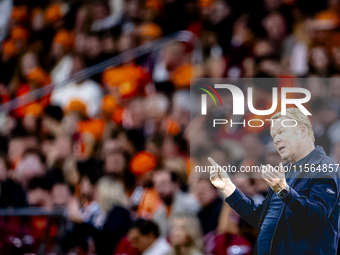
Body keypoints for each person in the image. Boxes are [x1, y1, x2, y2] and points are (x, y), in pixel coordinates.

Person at [208, 108, 340, 255]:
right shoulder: (286, 171)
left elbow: (317, 216)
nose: (276, 139)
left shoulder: (324, 168)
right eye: (274, 135)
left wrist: (284, 191)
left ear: (303, 131)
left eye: (282, 132)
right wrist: (229, 188)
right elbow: (261, 218)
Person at [152, 169, 200, 236]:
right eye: (157, 184)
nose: (160, 188)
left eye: (164, 183)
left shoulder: (191, 204)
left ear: (175, 184)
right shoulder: (158, 213)